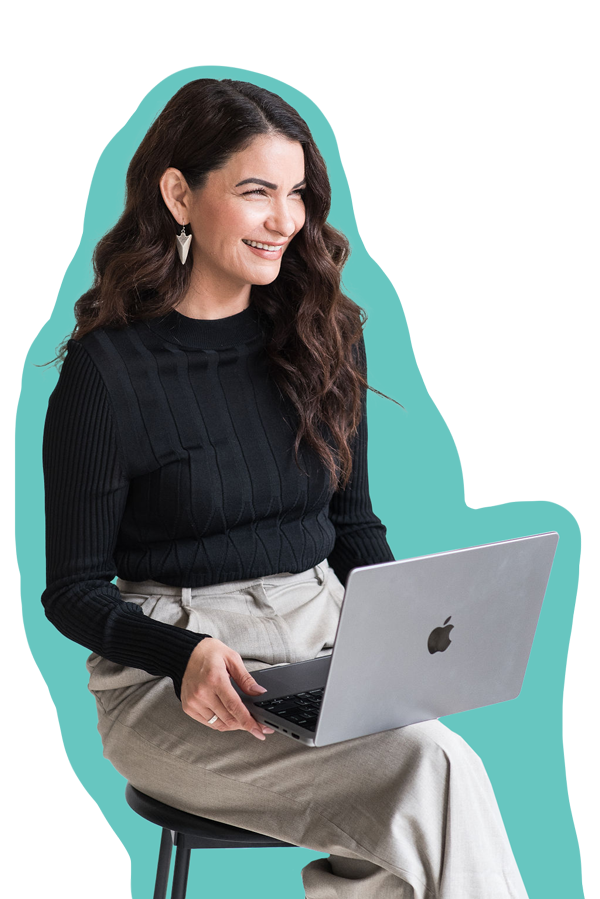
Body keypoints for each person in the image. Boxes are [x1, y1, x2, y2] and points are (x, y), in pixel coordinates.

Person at [41, 78, 529, 898]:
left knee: (416, 803)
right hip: (176, 677)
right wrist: (184, 654)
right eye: (256, 192)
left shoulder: (322, 336)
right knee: (435, 772)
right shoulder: (106, 373)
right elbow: (72, 590)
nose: (285, 221)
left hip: (324, 639)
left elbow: (352, 523)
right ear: (178, 194)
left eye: (297, 193)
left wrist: (406, 633)